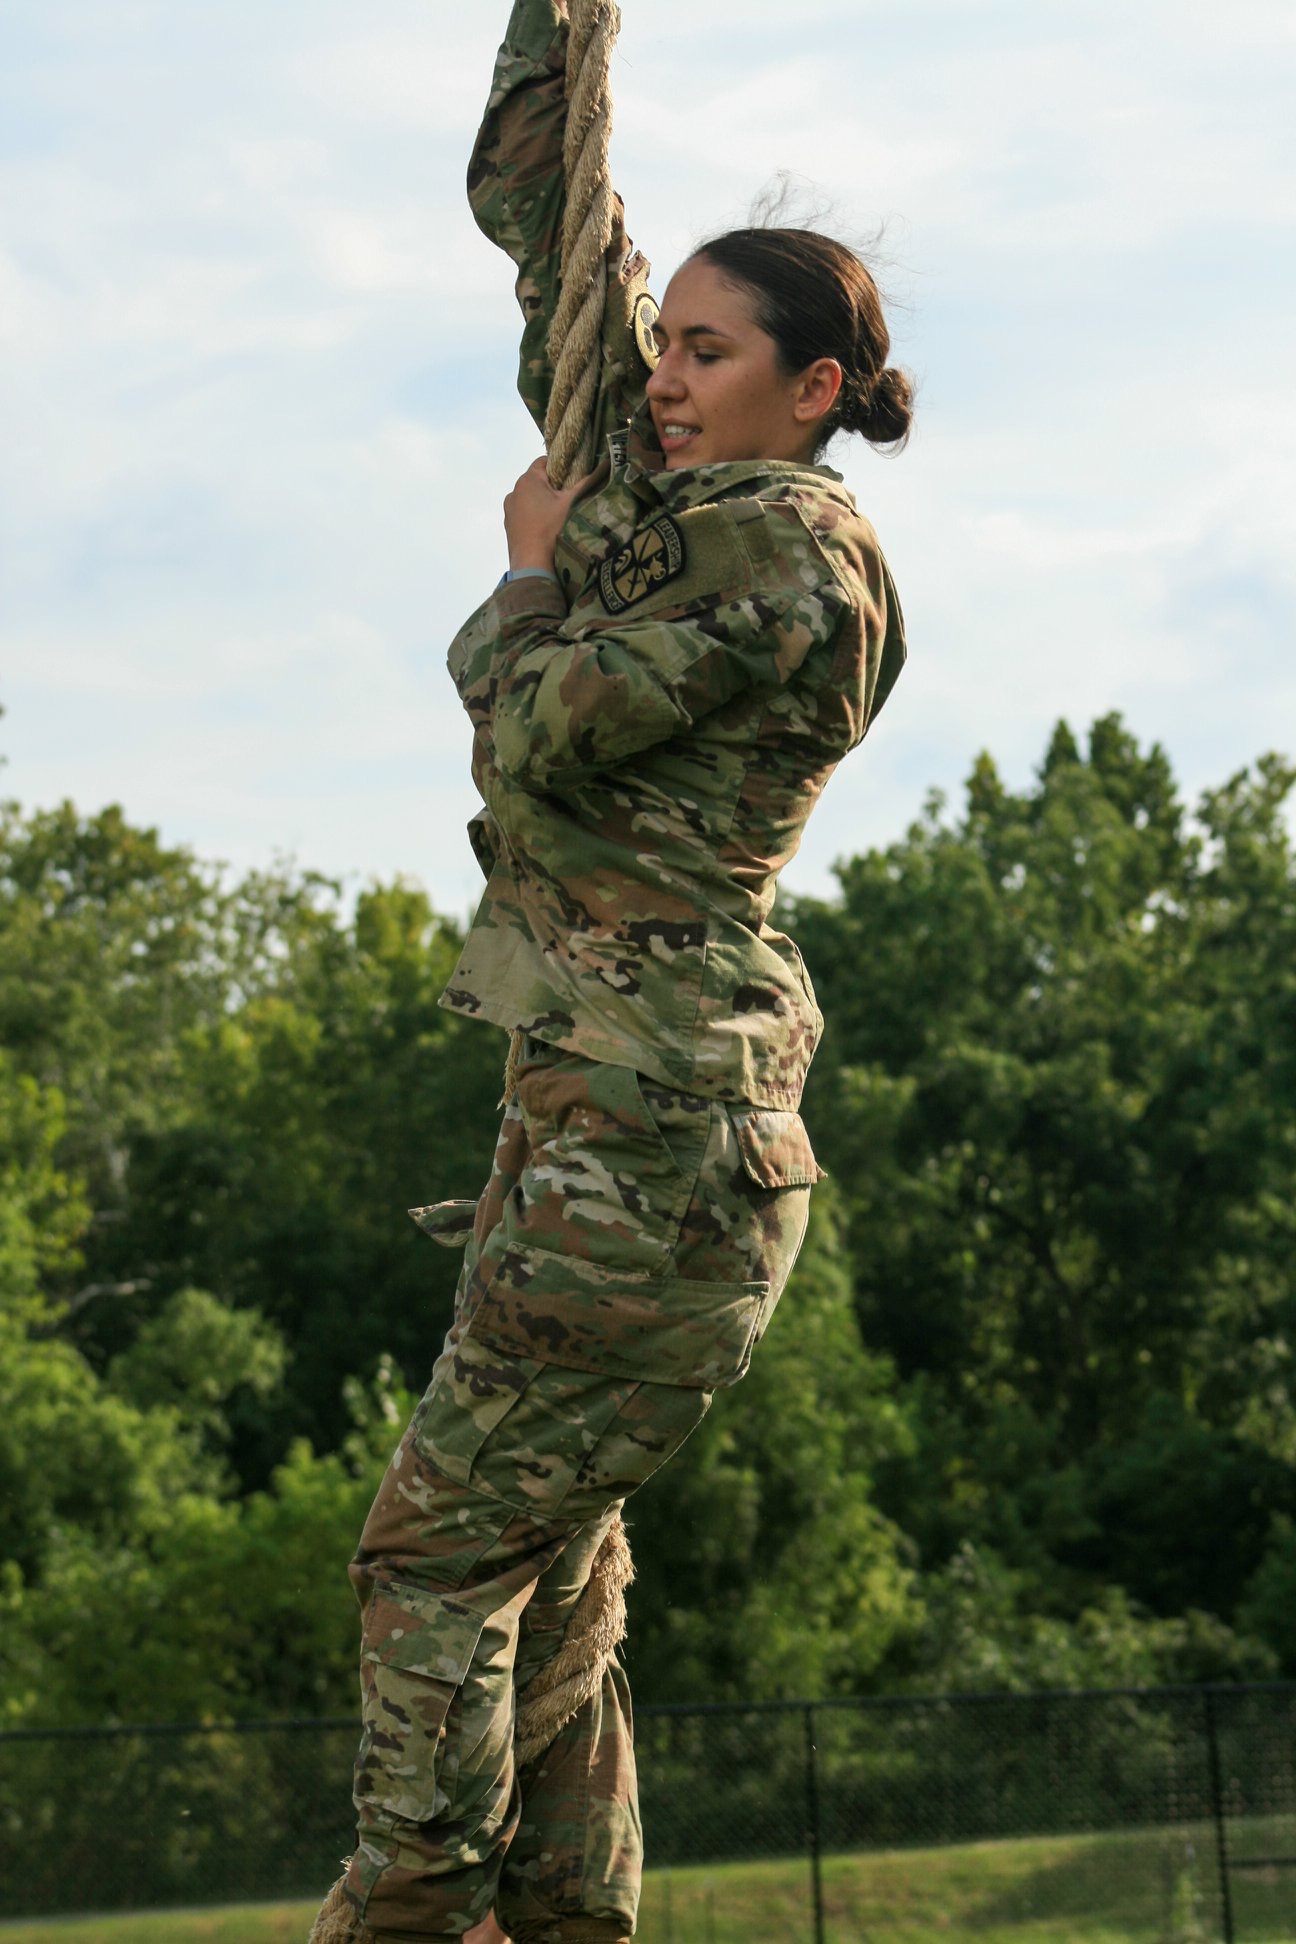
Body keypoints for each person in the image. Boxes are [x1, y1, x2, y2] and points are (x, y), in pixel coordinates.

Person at [309, 3, 910, 1940]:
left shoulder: (788, 558)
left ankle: (411, 1910)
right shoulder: (669, 495)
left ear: (809, 389)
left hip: (654, 1140)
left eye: (707, 353)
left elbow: (547, 730)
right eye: (663, 345)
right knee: (547, 1559)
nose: (662, 377)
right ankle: (564, 1918)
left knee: (436, 1555)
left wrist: (528, 582)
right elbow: (543, 220)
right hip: (598, 1119)